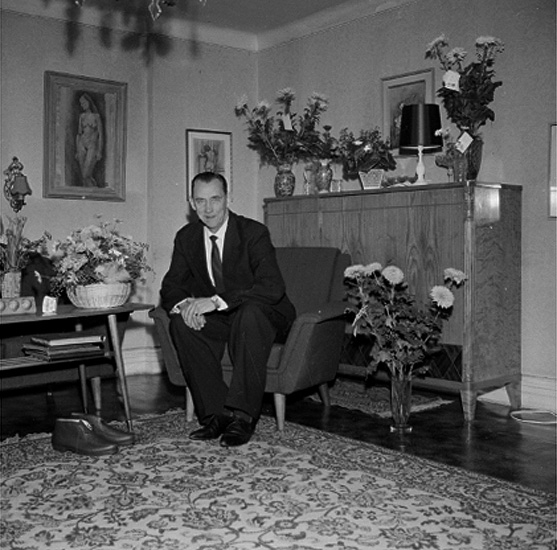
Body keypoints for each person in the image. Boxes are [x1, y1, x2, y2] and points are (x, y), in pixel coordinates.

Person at [160, 172, 296, 447]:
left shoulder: (253, 233)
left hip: (265, 315)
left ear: (227, 199)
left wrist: (215, 301)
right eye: (200, 201)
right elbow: (171, 287)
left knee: (249, 314)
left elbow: (271, 287)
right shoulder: (186, 237)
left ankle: (243, 417)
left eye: (215, 199)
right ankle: (216, 413)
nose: (208, 208)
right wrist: (186, 306)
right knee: (181, 323)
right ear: (191, 203)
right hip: (224, 319)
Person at [75, 93, 103, 187]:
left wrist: (99, 151)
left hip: (92, 144)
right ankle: (86, 191)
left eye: (84, 102)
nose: (82, 105)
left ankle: (94, 190)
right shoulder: (82, 116)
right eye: (81, 103)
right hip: (81, 144)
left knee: (86, 174)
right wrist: (77, 150)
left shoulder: (96, 116)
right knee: (84, 176)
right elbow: (79, 134)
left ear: (89, 102)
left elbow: (100, 134)